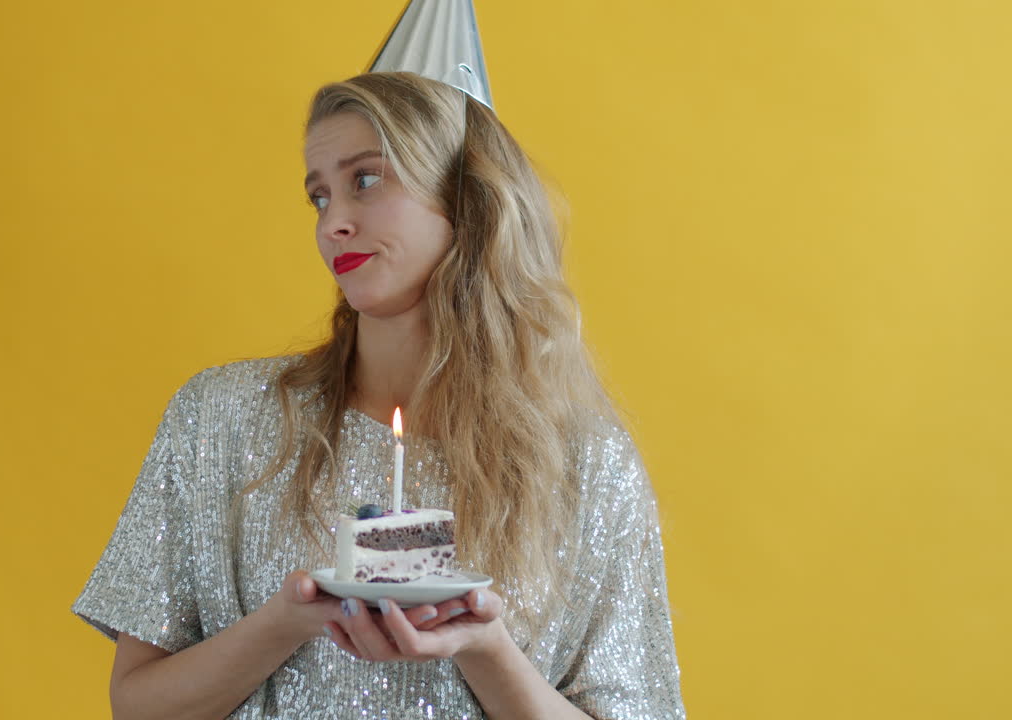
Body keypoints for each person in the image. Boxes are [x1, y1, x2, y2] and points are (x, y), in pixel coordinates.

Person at [72, 71, 685, 719]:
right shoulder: (221, 417)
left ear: (465, 198)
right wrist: (287, 621)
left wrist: (484, 646)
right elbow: (139, 707)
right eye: (318, 196)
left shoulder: (585, 462)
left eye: (365, 180)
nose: (333, 222)